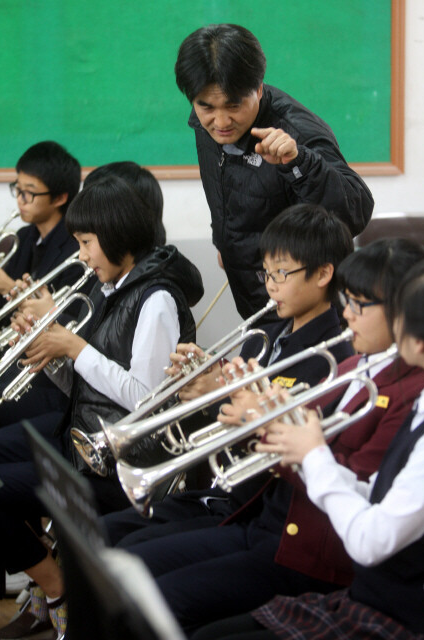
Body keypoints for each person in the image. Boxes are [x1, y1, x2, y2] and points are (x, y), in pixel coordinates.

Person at [107, 238, 424, 635]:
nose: (347, 313)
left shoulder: (410, 393)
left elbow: (355, 486)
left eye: (360, 305)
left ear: (407, 310)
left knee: (162, 601)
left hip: (309, 553)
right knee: (129, 568)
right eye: (348, 300)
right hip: (264, 522)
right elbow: (287, 447)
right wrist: (246, 408)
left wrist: (267, 424)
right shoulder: (351, 364)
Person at [194, 256, 424, 640]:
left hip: (399, 619)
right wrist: (292, 435)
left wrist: (314, 454)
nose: (349, 314)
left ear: (419, 339)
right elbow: (380, 495)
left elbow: (370, 543)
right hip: (367, 597)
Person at [0, 174, 203, 638]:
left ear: (114, 234)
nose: (83, 255)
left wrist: (74, 348)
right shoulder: (109, 288)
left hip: (120, 467)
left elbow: (145, 400)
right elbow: (85, 388)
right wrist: (46, 350)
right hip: (85, 447)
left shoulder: (157, 299)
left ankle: (58, 590)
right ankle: (55, 588)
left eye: (86, 242)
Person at [103, 202, 354, 548]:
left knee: (133, 554)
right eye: (266, 273)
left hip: (257, 510)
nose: (271, 286)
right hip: (219, 493)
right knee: (103, 533)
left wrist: (220, 393)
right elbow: (224, 423)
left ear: (323, 274)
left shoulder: (335, 361)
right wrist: (202, 384)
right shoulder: (262, 337)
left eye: (281, 273)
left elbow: (279, 455)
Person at [175, 23, 374, 319]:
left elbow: (356, 211)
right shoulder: (208, 125)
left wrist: (300, 162)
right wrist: (225, 239)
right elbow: (227, 183)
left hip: (310, 307)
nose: (220, 120)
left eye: (233, 105)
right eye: (207, 107)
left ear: (258, 88)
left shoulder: (297, 132)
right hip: (256, 296)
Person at [0, 140, 81, 423]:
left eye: (29, 193)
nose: (20, 200)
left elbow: (71, 320)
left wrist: (9, 287)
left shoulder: (77, 249)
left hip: (43, 374)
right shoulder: (24, 238)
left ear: (59, 198)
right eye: (17, 190)